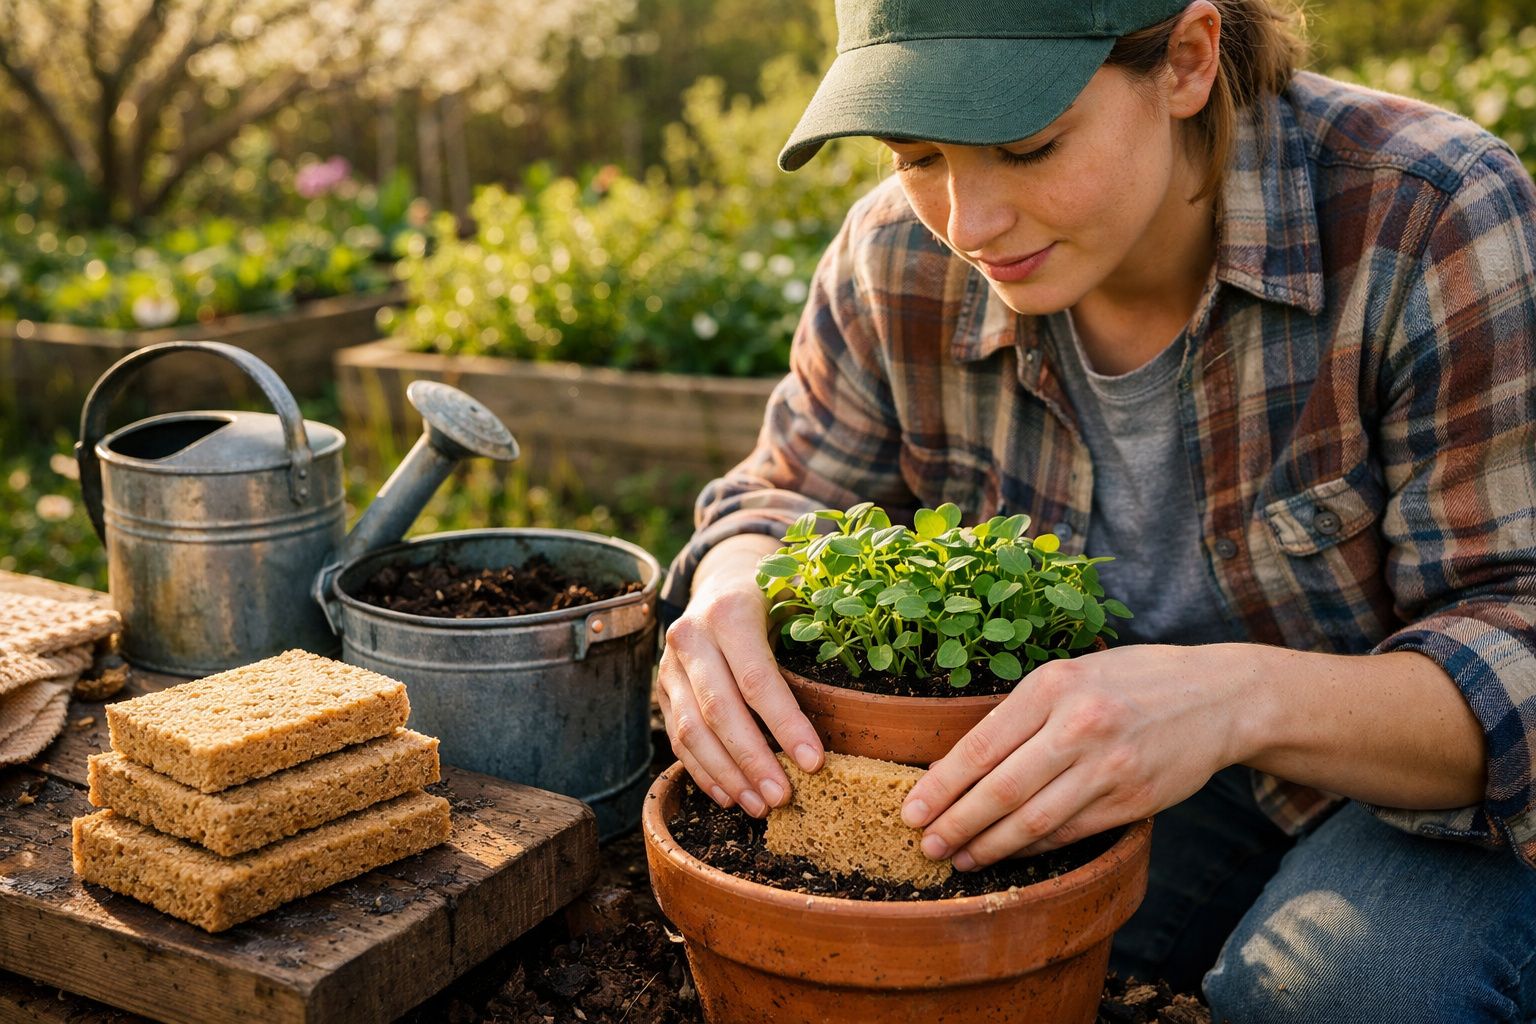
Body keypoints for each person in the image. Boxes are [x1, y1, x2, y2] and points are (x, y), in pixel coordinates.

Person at [654, 1, 1536, 1019]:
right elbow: (785, 490)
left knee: (1338, 993)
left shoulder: (1429, 212)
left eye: (1026, 148)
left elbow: (1517, 641)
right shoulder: (897, 255)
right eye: (917, 154)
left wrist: (1231, 701)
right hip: (1166, 787)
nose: (970, 225)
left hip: (1443, 804)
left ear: (1188, 61)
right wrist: (728, 587)